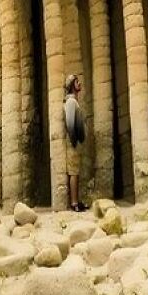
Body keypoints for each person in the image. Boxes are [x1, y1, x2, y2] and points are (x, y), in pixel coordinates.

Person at [64, 73, 87, 211]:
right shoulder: (71, 102)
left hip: (75, 141)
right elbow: (70, 123)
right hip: (73, 142)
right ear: (73, 85)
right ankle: (74, 203)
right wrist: (74, 141)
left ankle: (76, 201)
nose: (80, 84)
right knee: (73, 172)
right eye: (78, 82)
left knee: (76, 172)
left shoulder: (73, 101)